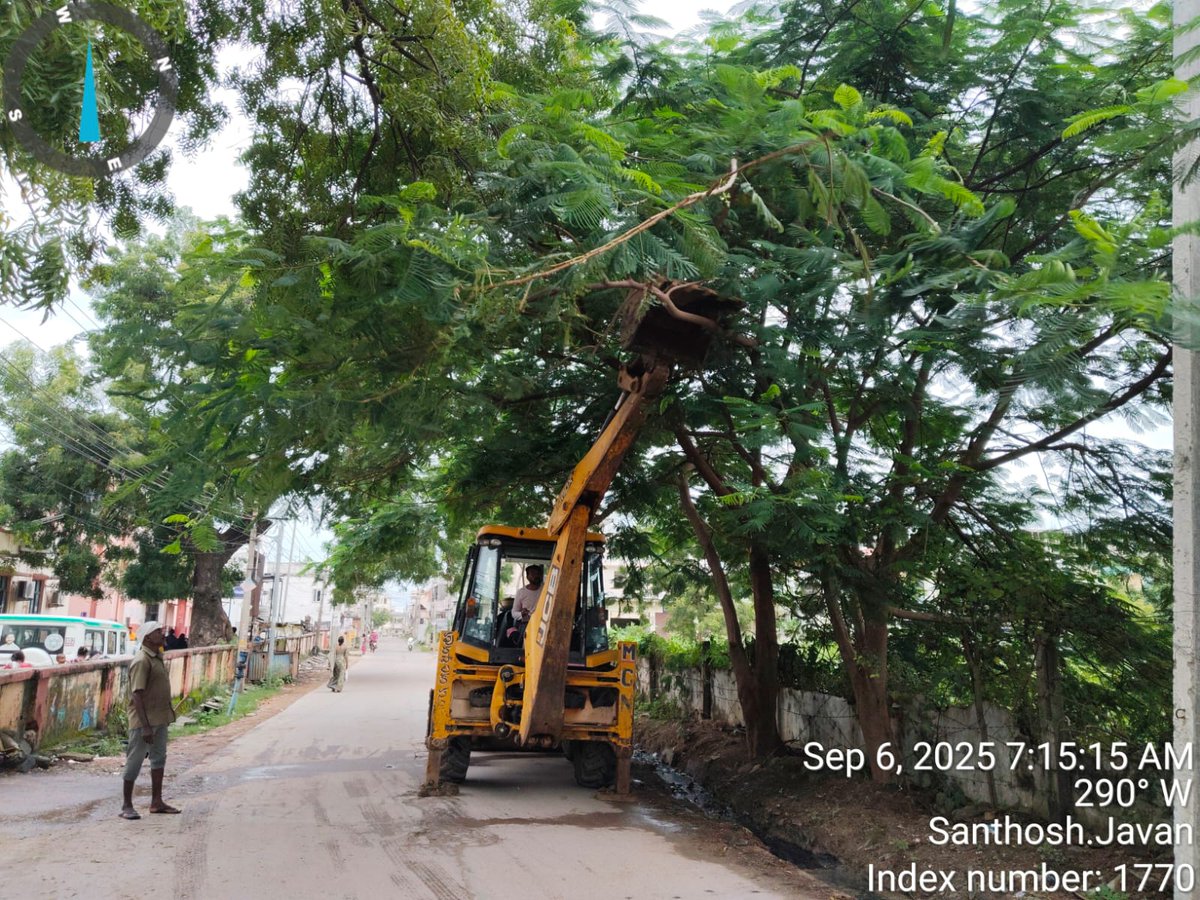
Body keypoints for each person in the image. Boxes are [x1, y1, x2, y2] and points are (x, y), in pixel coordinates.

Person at [120, 622, 180, 820]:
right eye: (158, 632)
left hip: (159, 718)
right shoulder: (142, 660)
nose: (163, 635)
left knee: (159, 758)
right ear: (147, 638)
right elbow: (137, 695)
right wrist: (145, 726)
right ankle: (126, 805)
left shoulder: (156, 657)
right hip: (143, 722)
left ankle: (157, 801)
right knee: (134, 761)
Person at [511, 565, 545, 636]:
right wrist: (521, 614)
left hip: (543, 625)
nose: (536, 576)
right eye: (533, 573)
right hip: (527, 626)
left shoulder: (546, 590)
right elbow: (514, 613)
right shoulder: (521, 592)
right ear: (527, 576)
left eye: (538, 574)